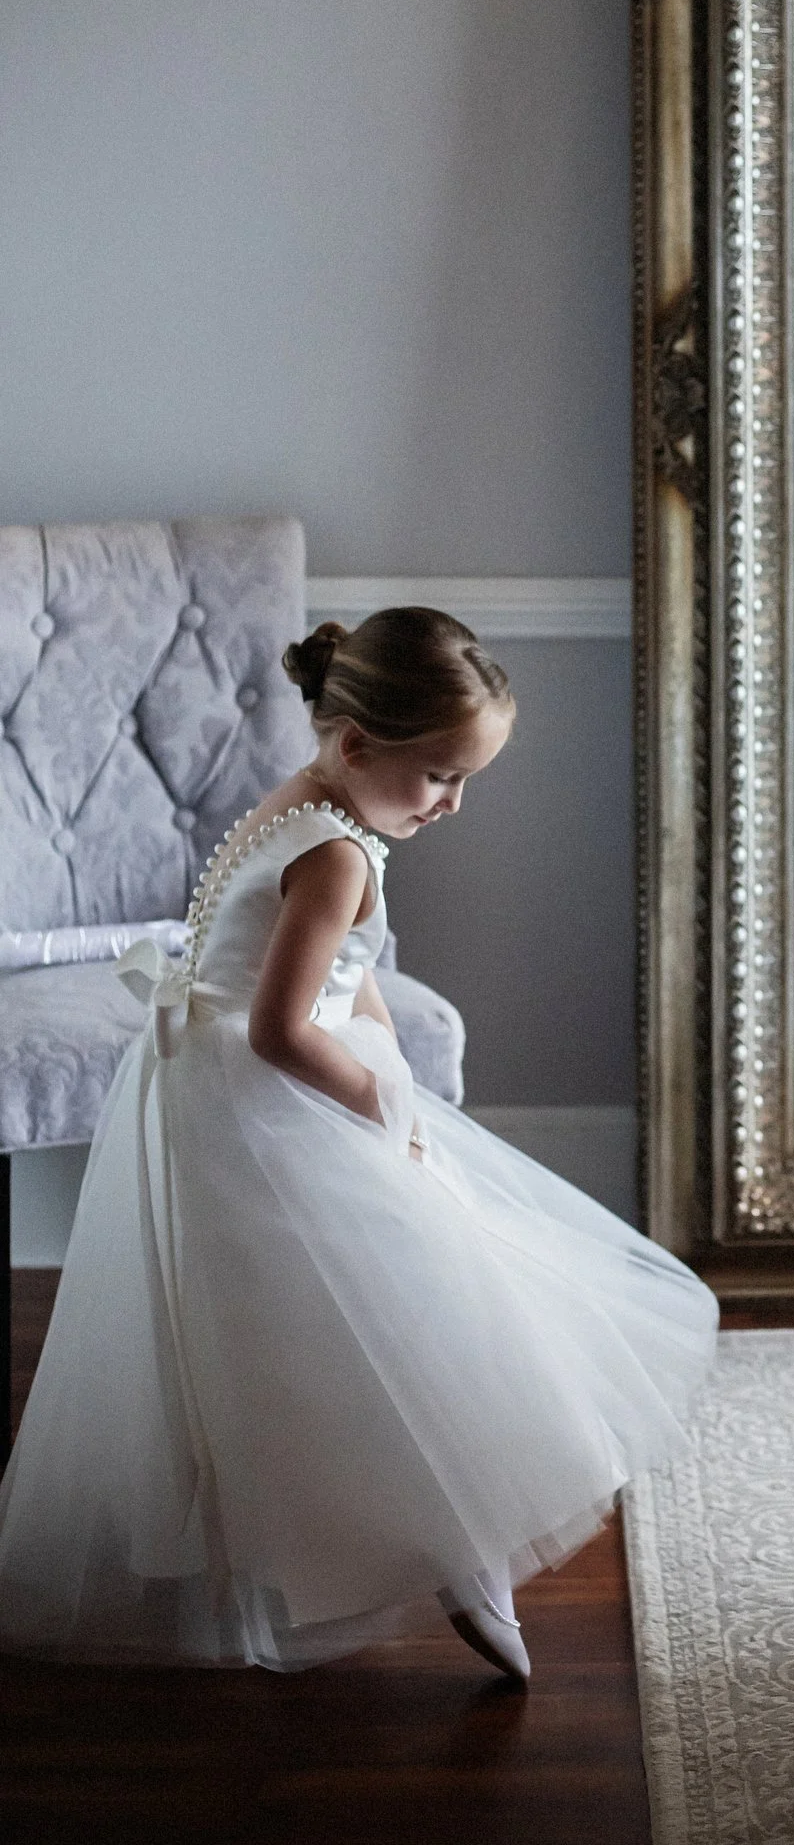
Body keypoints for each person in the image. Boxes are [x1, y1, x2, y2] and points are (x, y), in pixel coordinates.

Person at [0, 608, 718, 1678]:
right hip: (277, 1105)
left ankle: (368, 1546)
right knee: (411, 1312)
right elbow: (285, 1027)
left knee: (278, 1333)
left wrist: (390, 1055)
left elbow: (347, 969)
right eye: (438, 776)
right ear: (358, 746)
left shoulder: (296, 808)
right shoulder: (337, 855)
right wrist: (384, 1110)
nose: (452, 804)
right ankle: (456, 1544)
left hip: (203, 1096)